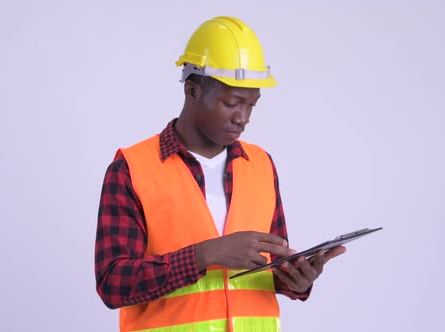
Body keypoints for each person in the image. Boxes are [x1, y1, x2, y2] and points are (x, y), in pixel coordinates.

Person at [94, 16, 346, 332]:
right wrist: (205, 254)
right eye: (231, 102)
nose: (243, 118)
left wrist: (296, 279)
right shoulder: (132, 169)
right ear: (192, 90)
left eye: (252, 105)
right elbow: (112, 284)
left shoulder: (261, 165)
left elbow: (270, 267)